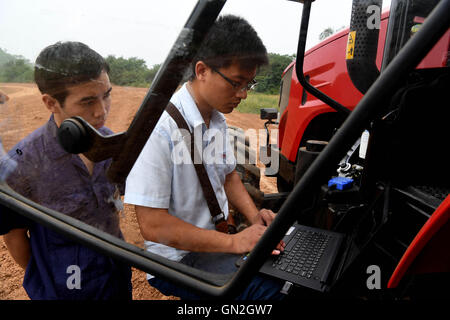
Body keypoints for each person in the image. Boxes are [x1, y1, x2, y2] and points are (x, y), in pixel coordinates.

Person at [125, 15, 285, 300]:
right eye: (236, 82)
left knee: (286, 274)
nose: (243, 95)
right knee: (274, 293)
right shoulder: (158, 128)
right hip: (178, 260)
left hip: (216, 243)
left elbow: (228, 175)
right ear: (202, 70)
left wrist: (255, 217)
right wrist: (233, 242)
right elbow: (152, 225)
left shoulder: (217, 120)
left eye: (249, 84)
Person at [0, 41, 132, 300]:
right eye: (87, 101)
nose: (101, 111)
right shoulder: (22, 163)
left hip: (115, 278)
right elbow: (14, 237)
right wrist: (51, 280)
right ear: (51, 103)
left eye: (106, 95)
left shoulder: (113, 144)